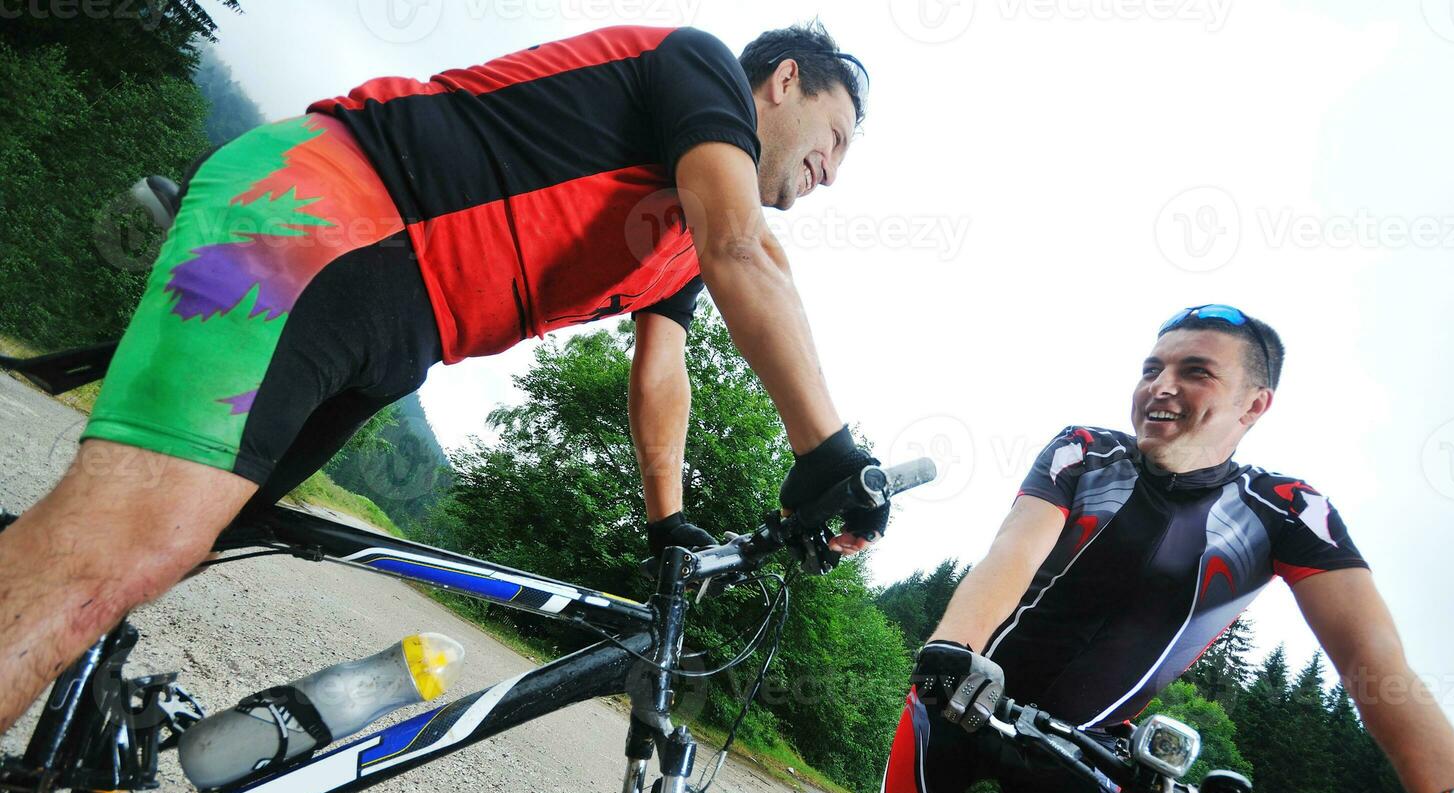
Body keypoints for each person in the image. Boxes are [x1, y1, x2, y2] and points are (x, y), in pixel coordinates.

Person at [0, 22, 886, 733]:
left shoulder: (683, 238)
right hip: (333, 221)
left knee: (183, 539)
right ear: (782, 83)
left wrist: (671, 526)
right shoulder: (699, 69)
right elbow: (748, 252)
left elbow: (664, 368)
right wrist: (831, 459)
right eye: (836, 137)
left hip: (392, 322)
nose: (833, 172)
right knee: (117, 547)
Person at [834, 305, 1454, 793]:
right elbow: (1011, 554)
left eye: (1194, 371)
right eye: (1152, 368)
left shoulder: (1285, 510)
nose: (1160, 386)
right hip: (969, 696)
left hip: (1092, 747)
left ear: (1254, 404)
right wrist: (953, 650)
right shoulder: (1086, 450)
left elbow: (1372, 659)